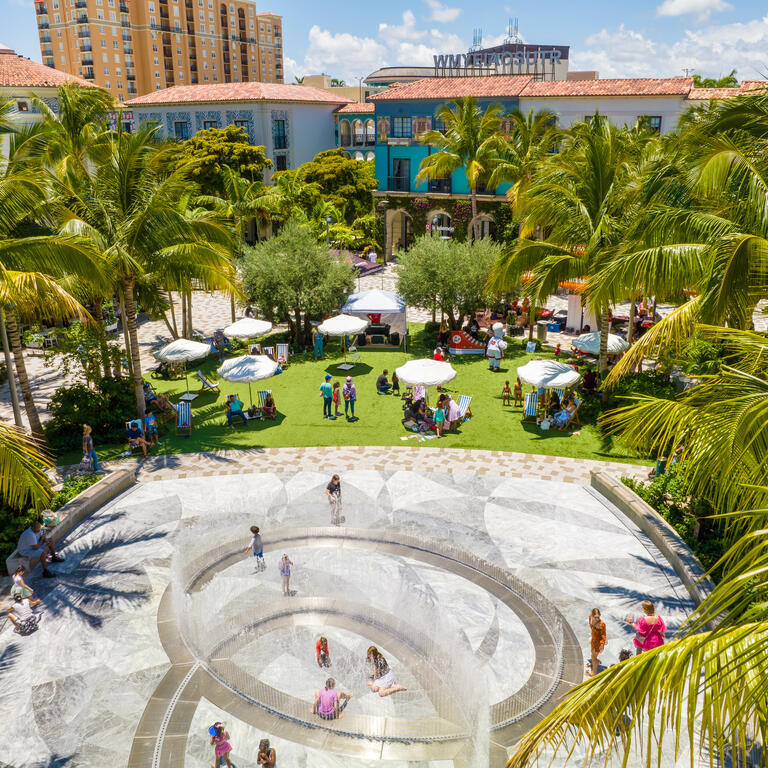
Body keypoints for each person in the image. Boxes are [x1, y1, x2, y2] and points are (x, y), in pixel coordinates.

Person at [586, 608, 606, 677]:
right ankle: (593, 664)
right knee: (592, 654)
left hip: (598, 643)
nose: (597, 619)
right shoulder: (590, 618)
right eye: (595, 617)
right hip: (593, 641)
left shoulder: (602, 624)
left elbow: (603, 635)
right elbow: (591, 625)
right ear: (592, 615)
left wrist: (602, 644)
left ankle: (594, 673)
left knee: (594, 657)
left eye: (598, 617)